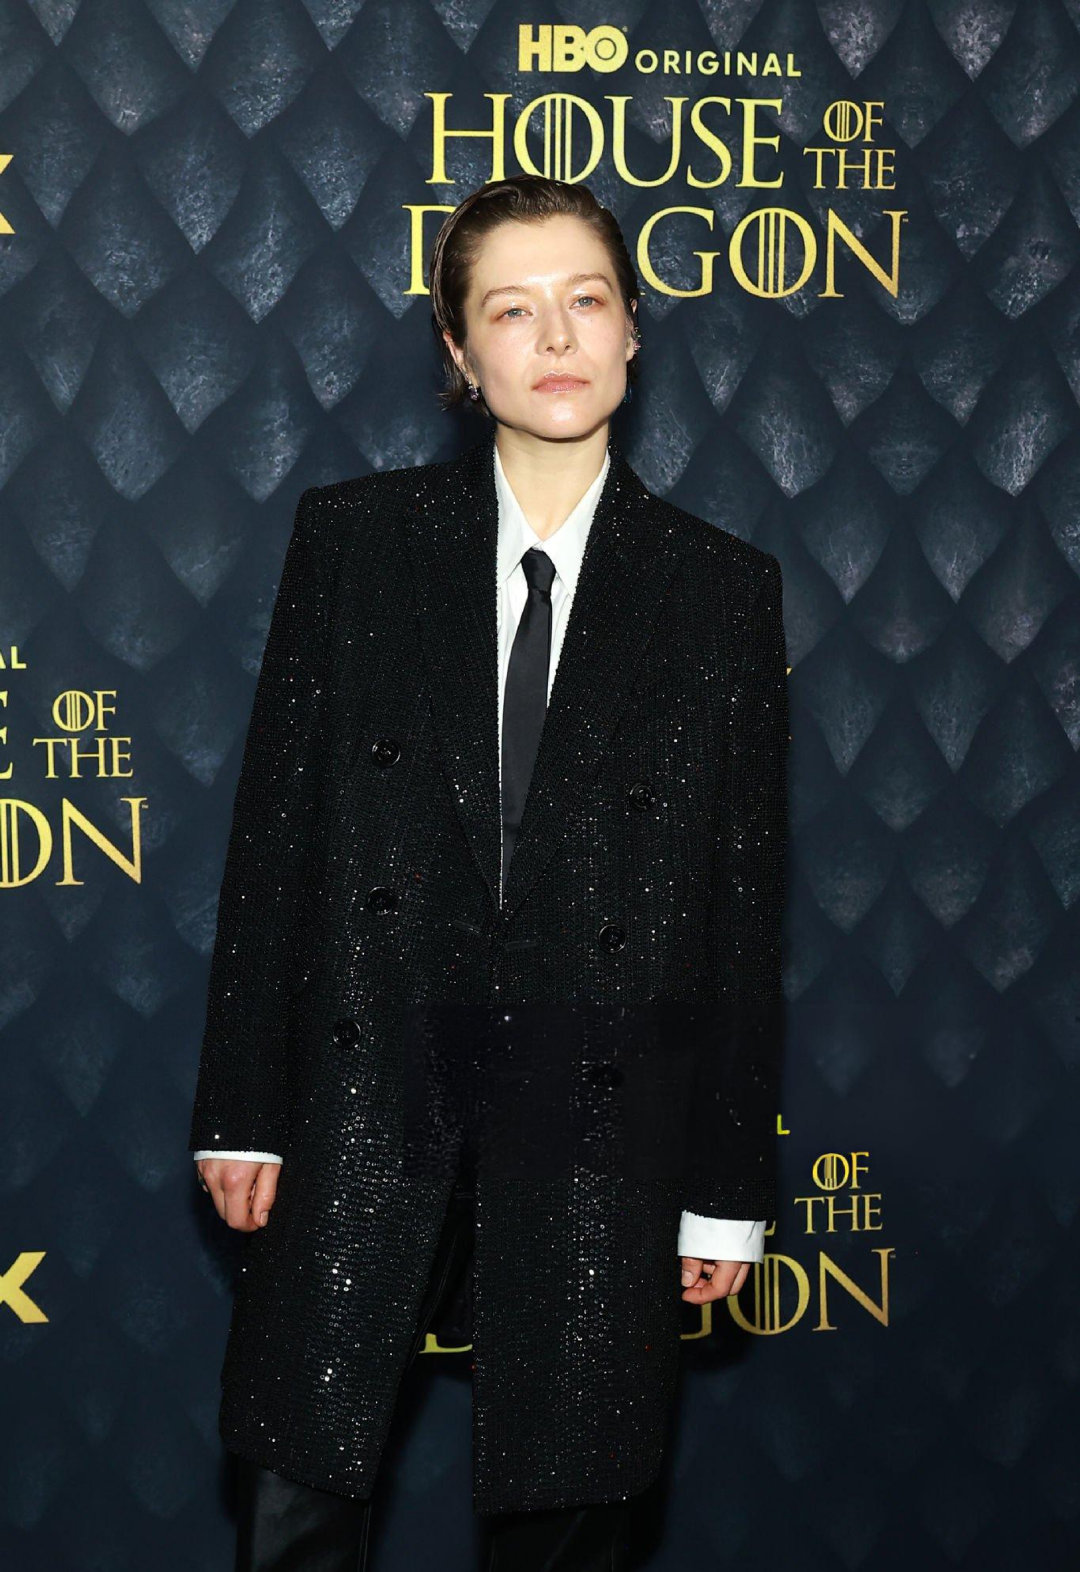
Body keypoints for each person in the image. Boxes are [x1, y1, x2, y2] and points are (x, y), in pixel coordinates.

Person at [190, 173, 789, 1571]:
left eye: (586, 300)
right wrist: (242, 1108)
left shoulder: (720, 590)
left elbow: (741, 911)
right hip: (367, 1069)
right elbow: (275, 840)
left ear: (633, 329)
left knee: (569, 1506)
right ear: (461, 354)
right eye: (512, 311)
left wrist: (726, 1183)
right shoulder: (355, 543)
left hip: (593, 1091)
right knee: (297, 1492)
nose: (557, 336)